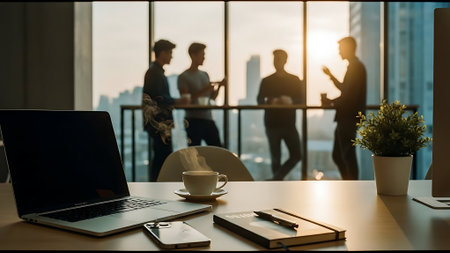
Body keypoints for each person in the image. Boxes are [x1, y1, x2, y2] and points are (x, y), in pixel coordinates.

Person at [142, 39, 190, 182]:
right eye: (170, 53)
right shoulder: (154, 73)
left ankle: (157, 186)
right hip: (159, 123)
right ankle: (157, 186)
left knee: (161, 156)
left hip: (159, 123)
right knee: (161, 157)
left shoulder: (156, 72)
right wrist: (177, 101)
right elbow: (158, 98)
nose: (171, 56)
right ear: (162, 53)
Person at [321, 36, 367, 180]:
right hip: (347, 116)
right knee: (340, 155)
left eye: (341, 49)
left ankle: (351, 184)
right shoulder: (354, 66)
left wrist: (331, 102)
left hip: (348, 117)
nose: (339, 52)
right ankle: (349, 182)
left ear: (348, 48)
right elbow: (346, 89)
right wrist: (331, 76)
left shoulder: (355, 67)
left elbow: (348, 96)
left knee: (346, 155)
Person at [257, 49, 305, 180]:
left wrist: (290, 101)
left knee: (297, 155)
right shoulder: (267, 81)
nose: (276, 62)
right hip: (272, 124)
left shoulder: (294, 80)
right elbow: (259, 100)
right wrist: (271, 101)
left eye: (278, 59)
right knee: (275, 158)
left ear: (285, 61)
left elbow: (302, 100)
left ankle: (277, 179)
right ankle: (277, 181)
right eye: (274, 59)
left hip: (289, 123)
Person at [177, 42, 226, 147]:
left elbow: (212, 98)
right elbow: (185, 100)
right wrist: (205, 89)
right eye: (202, 54)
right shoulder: (183, 77)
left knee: (218, 149)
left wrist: (220, 86)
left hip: (208, 119)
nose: (204, 57)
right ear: (193, 55)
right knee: (194, 154)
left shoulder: (205, 74)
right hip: (193, 121)